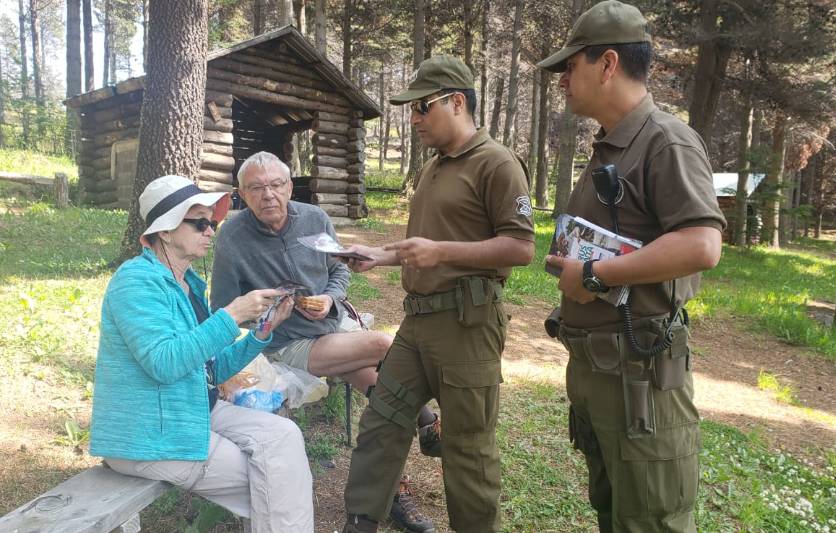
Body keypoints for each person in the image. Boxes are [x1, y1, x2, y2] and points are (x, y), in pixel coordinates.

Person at [536, 1, 726, 532]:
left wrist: (595, 277)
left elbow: (701, 244)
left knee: (651, 522)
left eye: (569, 66)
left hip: (641, 376)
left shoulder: (665, 140)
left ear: (607, 63)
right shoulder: (611, 146)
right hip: (604, 373)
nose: (562, 81)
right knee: (616, 513)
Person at [340, 55, 536, 533]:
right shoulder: (433, 167)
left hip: (467, 326)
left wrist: (442, 251)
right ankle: (362, 522)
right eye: (411, 109)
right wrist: (379, 255)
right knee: (383, 421)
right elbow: (421, 248)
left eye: (422, 107)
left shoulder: (497, 163)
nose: (414, 118)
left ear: (457, 101)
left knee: (467, 446)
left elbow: (521, 247)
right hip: (418, 322)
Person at [210, 151, 437, 533]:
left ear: (289, 186)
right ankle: (430, 422)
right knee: (384, 345)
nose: (268, 195)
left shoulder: (314, 219)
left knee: (390, 394)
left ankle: (393, 491)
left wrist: (330, 299)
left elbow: (338, 270)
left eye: (276, 185)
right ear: (241, 194)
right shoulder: (232, 238)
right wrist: (265, 308)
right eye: (256, 188)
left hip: (333, 327)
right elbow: (224, 309)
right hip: (284, 342)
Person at [90, 175, 314, 532]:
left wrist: (262, 332)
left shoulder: (188, 284)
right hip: (150, 434)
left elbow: (211, 369)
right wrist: (231, 315)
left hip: (193, 408)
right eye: (199, 223)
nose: (211, 231)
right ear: (164, 230)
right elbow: (165, 363)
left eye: (212, 223)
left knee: (284, 438)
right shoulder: (135, 281)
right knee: (280, 480)